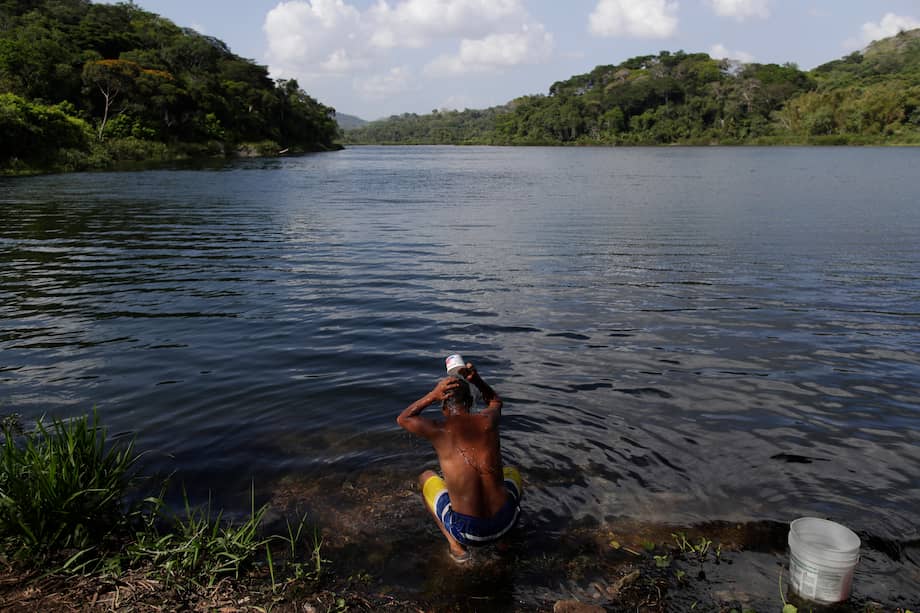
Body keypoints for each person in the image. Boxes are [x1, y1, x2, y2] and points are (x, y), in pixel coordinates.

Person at [396, 362, 522, 563]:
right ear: (470, 401)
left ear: (443, 406)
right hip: (506, 521)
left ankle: (457, 548)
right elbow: (495, 401)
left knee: (426, 476)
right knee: (511, 473)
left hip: (469, 532)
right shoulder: (488, 420)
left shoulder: (438, 430)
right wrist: (476, 380)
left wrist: (432, 395)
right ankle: (503, 543)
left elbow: (403, 419)